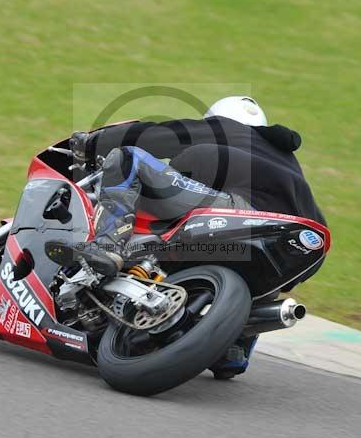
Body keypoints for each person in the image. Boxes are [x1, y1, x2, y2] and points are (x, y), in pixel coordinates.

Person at [45, 96, 326, 376]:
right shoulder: (287, 160)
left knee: (129, 157)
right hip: (302, 242)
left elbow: (160, 136)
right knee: (261, 275)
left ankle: (107, 246)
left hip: (238, 211)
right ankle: (232, 351)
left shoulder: (226, 128)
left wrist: (91, 143)